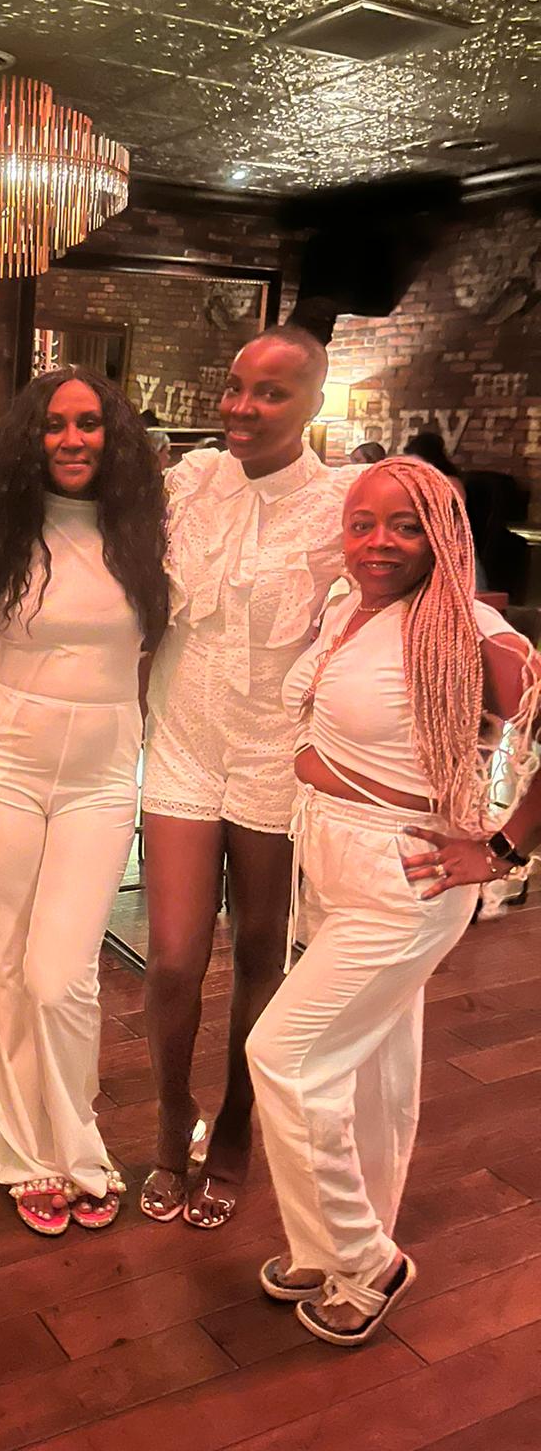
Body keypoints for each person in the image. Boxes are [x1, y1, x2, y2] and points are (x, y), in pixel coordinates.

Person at [248, 458, 538, 1345]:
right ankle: (328, 1238)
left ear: (442, 535)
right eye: (361, 523)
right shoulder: (350, 604)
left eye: (404, 525)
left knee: (286, 1056)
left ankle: (366, 1256)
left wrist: (503, 845)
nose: (378, 542)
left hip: (404, 877)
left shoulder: (471, 630)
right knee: (371, 1071)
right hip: (332, 857)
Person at [140, 325, 359, 1231]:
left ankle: (235, 1124)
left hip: (276, 750)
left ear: (314, 403)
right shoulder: (184, 486)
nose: (241, 407)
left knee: (260, 950)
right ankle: (167, 1116)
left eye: (270, 393)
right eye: (235, 387)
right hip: (185, 737)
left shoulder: (343, 503)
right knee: (176, 958)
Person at [0, 367, 167, 1234]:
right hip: (3, 755)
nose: (72, 439)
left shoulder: (148, 533)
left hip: (104, 770)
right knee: (4, 966)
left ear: (112, 435)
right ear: (29, 439)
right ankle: (29, 1154)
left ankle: (80, 1143)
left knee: (60, 974)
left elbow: (162, 657)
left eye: (88, 424)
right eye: (53, 425)